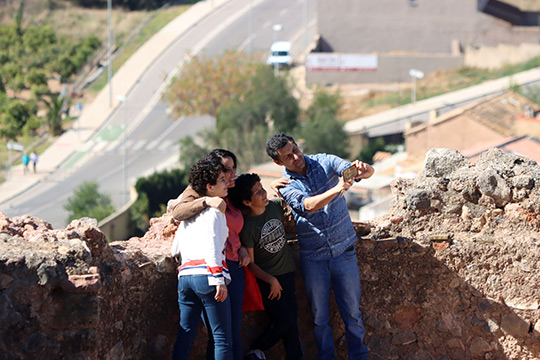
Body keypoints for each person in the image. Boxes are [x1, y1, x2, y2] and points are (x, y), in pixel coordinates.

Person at [265, 132, 375, 360]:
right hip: (314, 259)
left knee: (353, 313)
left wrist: (365, 169)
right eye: (288, 156)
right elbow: (308, 205)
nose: (295, 157)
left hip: (344, 252)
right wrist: (338, 189)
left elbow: (357, 171)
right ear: (278, 162)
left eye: (295, 149)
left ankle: (359, 357)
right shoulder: (285, 185)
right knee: (319, 318)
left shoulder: (325, 161)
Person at [168, 149, 250, 360]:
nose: (230, 176)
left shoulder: (195, 217)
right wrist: (218, 279)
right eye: (224, 173)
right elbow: (212, 245)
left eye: (232, 170)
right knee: (223, 337)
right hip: (211, 274)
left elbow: (175, 248)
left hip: (185, 275)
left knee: (185, 333)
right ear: (209, 184)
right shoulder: (213, 209)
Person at [228, 173, 303, 360]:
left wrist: (277, 187)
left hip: (287, 273)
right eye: (258, 192)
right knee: (285, 320)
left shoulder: (275, 207)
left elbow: (292, 199)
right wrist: (271, 280)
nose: (263, 194)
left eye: (263, 189)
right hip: (268, 282)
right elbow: (251, 264)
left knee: (292, 323)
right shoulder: (248, 227)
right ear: (247, 202)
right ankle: (257, 349)